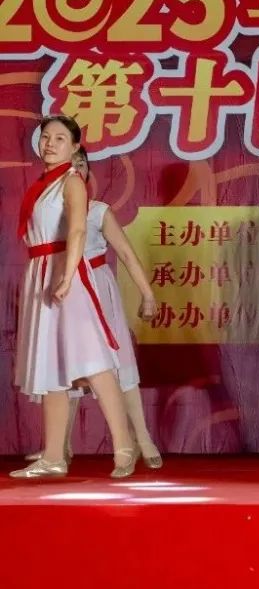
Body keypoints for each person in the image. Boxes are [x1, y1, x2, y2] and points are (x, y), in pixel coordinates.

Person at [10, 116, 138, 479]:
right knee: (50, 362)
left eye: (60, 138)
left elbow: (79, 229)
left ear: (75, 146)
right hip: (42, 272)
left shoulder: (71, 181)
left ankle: (124, 446)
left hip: (65, 273)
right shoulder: (43, 185)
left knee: (93, 361)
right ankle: (53, 456)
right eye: (46, 137)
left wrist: (67, 276)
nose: (50, 144)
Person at [24, 148, 163, 469]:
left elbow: (126, 254)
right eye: (70, 164)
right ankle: (59, 448)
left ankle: (141, 439)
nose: (75, 169)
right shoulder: (48, 208)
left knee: (113, 366)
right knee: (64, 366)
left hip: (95, 290)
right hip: (62, 291)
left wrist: (148, 295)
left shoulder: (97, 211)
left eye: (81, 165)